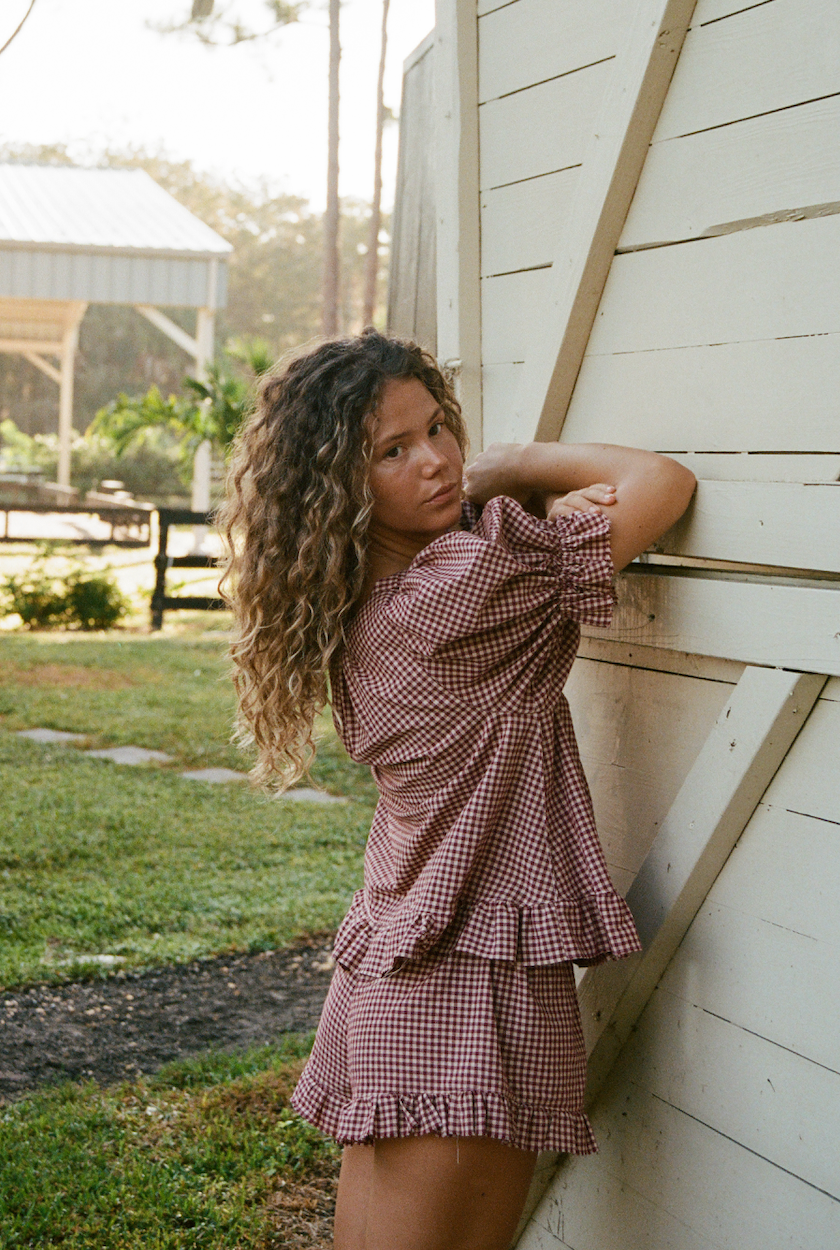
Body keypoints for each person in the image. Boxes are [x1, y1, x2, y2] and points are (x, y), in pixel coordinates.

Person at [219, 330, 696, 1250]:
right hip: (468, 988)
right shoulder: (465, 590)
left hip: (409, 967)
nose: (438, 462)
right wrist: (512, 467)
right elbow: (663, 483)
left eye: (438, 429)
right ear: (339, 489)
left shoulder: (362, 600)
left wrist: (505, 506)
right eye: (391, 453)